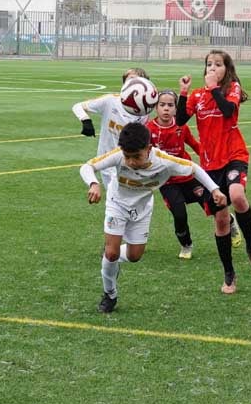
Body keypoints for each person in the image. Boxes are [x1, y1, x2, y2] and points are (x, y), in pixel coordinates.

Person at [81, 121, 226, 313]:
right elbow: (88, 166)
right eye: (127, 156)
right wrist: (93, 183)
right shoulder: (118, 155)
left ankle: (111, 256)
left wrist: (214, 189)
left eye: (136, 156)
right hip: (117, 205)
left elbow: (194, 168)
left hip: (142, 210)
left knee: (134, 256)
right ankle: (110, 294)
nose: (131, 161)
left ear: (149, 148)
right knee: (111, 253)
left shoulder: (164, 161)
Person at [178, 49, 251, 294]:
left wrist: (215, 88)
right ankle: (229, 274)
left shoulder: (231, 89)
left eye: (218, 64)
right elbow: (179, 120)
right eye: (209, 64)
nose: (213, 68)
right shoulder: (197, 95)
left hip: (234, 154)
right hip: (209, 164)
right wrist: (184, 92)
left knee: (237, 195)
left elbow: (227, 111)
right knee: (221, 219)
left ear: (227, 69)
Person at [149, 89, 207, 259]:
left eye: (170, 105)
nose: (166, 109)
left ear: (176, 109)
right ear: (155, 108)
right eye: (162, 105)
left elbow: (196, 146)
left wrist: (207, 159)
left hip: (188, 175)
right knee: (180, 214)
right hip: (167, 181)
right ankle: (186, 245)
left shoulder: (181, 127)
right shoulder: (149, 129)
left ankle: (229, 221)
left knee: (212, 204)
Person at [71, 67, 150, 157]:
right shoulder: (110, 100)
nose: (132, 84)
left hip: (129, 160)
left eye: (137, 81)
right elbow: (77, 106)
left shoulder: (145, 110)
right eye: (130, 80)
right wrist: (86, 120)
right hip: (106, 159)